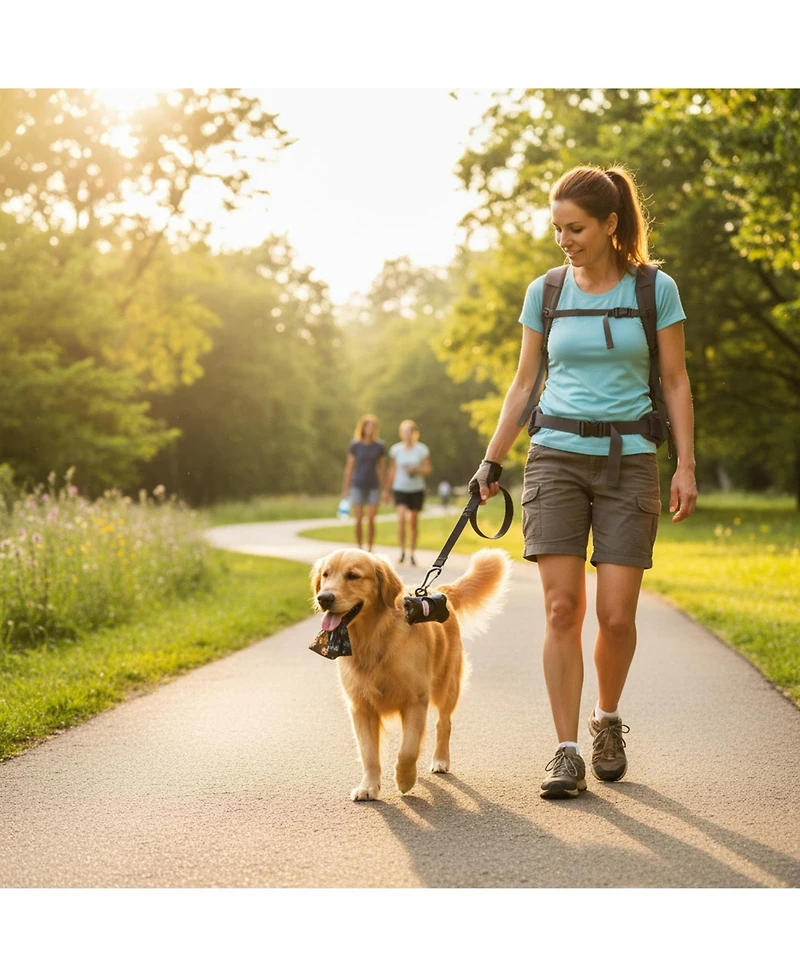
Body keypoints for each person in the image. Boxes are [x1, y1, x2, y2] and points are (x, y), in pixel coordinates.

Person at [470, 163, 697, 799]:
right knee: (561, 607)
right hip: (556, 457)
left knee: (617, 614)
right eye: (557, 229)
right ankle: (566, 749)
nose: (564, 239)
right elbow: (523, 381)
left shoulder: (657, 290)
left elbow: (676, 380)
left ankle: (607, 719)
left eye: (575, 228)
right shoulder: (545, 292)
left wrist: (685, 462)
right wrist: (492, 460)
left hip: (630, 463)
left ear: (610, 224)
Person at [383, 419, 432, 566]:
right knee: (401, 518)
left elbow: (428, 470)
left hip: (416, 490)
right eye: (405, 431)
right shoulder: (396, 450)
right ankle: (402, 552)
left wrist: (416, 470)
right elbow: (391, 470)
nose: (407, 434)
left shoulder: (422, 450)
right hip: (400, 489)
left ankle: (412, 553)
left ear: (415, 433)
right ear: (401, 434)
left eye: (410, 431)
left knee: (413, 522)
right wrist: (386, 489)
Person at [341, 414, 386, 552]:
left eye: (373, 426)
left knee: (371, 519)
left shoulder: (379, 446)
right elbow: (350, 467)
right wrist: (345, 488)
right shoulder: (355, 445)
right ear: (363, 428)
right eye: (368, 426)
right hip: (357, 484)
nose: (370, 429)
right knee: (359, 519)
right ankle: (359, 548)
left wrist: (385, 490)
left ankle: (370, 549)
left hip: (373, 485)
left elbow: (381, 468)